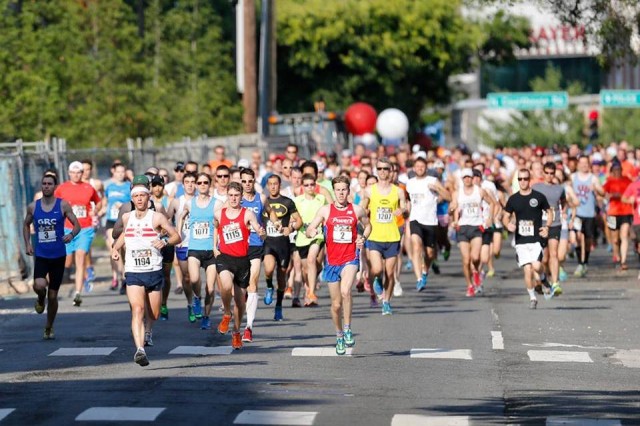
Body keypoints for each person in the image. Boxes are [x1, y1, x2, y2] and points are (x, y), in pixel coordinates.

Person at [111, 176, 181, 366]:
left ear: (148, 197)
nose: (140, 199)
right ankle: (140, 350)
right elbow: (125, 234)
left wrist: (165, 241)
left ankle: (149, 330)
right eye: (137, 196)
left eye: (143, 196)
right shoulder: (127, 217)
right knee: (137, 309)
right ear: (132, 199)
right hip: (133, 270)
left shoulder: (157, 217)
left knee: (154, 313)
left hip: (153, 270)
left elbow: (177, 236)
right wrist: (115, 249)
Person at [306, 176, 370, 355]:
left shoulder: (356, 210)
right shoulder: (325, 210)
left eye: (344, 190)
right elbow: (311, 228)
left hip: (350, 258)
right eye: (338, 190)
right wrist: (312, 231)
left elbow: (368, 226)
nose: (341, 193)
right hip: (332, 262)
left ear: (348, 191)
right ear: (334, 191)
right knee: (335, 305)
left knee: (345, 291)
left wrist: (362, 237)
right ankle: (339, 334)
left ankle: (348, 328)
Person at [23, 174, 81, 340]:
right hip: (41, 254)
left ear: (55, 187)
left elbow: (76, 225)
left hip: (58, 255)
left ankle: (49, 326)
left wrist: (70, 235)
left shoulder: (62, 205)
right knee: (40, 285)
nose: (46, 186)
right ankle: (40, 298)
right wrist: (28, 244)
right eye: (44, 184)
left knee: (54, 296)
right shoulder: (33, 207)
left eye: (49, 184)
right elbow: (26, 225)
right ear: (41, 186)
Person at [213, 182, 265, 349]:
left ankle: (236, 332)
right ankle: (227, 314)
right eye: (231, 195)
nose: (234, 198)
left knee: (240, 301)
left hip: (242, 260)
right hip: (225, 257)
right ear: (227, 196)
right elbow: (216, 228)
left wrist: (261, 233)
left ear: (241, 197)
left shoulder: (247, 213)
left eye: (237, 195)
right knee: (226, 286)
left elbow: (257, 227)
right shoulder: (219, 214)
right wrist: (215, 246)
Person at [359, 157, 408, 315]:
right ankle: (374, 279)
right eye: (379, 169)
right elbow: (361, 209)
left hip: (392, 236)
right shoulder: (369, 190)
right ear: (376, 170)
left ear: (391, 171)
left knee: (389, 272)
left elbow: (405, 205)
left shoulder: (398, 191)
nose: (382, 172)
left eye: (385, 169)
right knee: (377, 268)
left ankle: (386, 301)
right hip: (375, 236)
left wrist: (402, 210)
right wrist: (363, 216)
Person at [54, 161, 102, 307]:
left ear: (83, 173)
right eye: (73, 172)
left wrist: (95, 210)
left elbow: (98, 202)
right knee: (67, 261)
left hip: (84, 228)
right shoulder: (62, 189)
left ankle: (78, 293)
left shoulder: (89, 188)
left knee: (80, 257)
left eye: (79, 172)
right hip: (67, 229)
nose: (76, 175)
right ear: (69, 173)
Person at [503, 168, 552, 309]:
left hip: (536, 238)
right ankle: (532, 297)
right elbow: (506, 216)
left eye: (525, 179)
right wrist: (508, 225)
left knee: (536, 266)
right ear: (518, 181)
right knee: (527, 270)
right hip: (520, 241)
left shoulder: (538, 197)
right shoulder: (513, 199)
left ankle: (543, 279)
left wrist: (547, 227)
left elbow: (549, 212)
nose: (523, 181)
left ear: (529, 180)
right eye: (520, 179)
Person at [179, 172, 221, 330]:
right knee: (194, 279)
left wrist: (218, 244)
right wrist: (180, 237)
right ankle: (197, 298)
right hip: (194, 248)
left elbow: (221, 222)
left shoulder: (217, 204)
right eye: (200, 182)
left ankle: (206, 316)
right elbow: (181, 217)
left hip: (210, 250)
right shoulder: (190, 203)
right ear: (196, 185)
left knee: (210, 288)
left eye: (205, 182)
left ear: (210, 184)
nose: (202, 185)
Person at [405, 157, 450, 291]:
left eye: (422, 166)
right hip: (415, 220)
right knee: (417, 246)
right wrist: (405, 210)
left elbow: (449, 197)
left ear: (426, 168)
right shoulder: (410, 183)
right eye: (417, 166)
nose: (419, 168)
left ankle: (425, 272)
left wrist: (437, 189)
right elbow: (408, 200)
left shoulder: (433, 180)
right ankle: (419, 279)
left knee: (430, 254)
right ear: (414, 168)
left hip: (430, 221)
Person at [450, 168, 496, 297]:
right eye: (465, 177)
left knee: (475, 257)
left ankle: (476, 270)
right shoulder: (457, 193)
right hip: (463, 227)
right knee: (466, 260)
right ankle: (469, 285)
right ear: (462, 179)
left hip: (476, 226)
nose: (467, 179)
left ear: (472, 178)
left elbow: (492, 203)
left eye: (469, 177)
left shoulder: (480, 191)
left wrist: (489, 218)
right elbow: (453, 208)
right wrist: (453, 218)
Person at [262, 174, 302, 321]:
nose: (273, 186)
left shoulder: (288, 202)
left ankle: (278, 306)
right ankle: (268, 286)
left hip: (283, 244)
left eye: (275, 184)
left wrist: (291, 228)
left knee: (281, 278)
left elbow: (299, 221)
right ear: (267, 186)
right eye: (270, 184)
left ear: (280, 185)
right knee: (268, 269)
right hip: (269, 243)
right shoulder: (263, 202)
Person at [240, 168, 274, 342]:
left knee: (252, 283)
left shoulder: (261, 198)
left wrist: (270, 226)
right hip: (237, 248)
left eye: (250, 181)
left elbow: (270, 213)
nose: (247, 184)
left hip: (255, 245)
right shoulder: (234, 200)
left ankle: (248, 327)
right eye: (244, 181)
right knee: (238, 289)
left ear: (254, 181)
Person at [532, 162, 566, 295]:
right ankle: (543, 278)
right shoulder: (536, 187)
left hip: (555, 224)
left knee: (554, 254)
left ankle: (556, 282)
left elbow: (563, 202)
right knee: (542, 258)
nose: (549, 176)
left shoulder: (559, 188)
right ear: (543, 173)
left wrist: (562, 213)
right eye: (547, 173)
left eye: (552, 173)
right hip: (540, 224)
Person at [294, 174, 328, 306]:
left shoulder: (321, 199)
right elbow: (293, 218)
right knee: (305, 270)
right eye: (306, 185)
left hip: (317, 235)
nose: (309, 187)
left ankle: (312, 292)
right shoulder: (297, 201)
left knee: (311, 259)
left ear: (316, 185)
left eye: (312, 185)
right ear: (303, 186)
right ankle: (307, 288)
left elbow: (327, 215)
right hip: (302, 237)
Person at [571, 155, 605, 277]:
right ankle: (580, 263)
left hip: (589, 213)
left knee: (588, 240)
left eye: (586, 163)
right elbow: (566, 190)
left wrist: (596, 188)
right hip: (577, 213)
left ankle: (585, 262)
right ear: (578, 164)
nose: (584, 165)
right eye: (582, 163)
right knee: (578, 237)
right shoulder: (573, 177)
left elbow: (603, 192)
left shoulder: (593, 178)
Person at [103, 163, 130, 291]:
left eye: (122, 172)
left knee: (124, 247)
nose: (120, 174)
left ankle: (125, 274)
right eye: (118, 171)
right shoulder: (109, 187)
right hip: (111, 220)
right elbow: (105, 202)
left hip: (123, 220)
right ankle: (119, 276)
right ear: (113, 172)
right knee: (114, 247)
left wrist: (123, 205)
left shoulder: (128, 186)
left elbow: (133, 203)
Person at [603, 161, 633, 270]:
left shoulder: (627, 180)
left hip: (626, 211)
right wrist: (611, 195)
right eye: (615, 170)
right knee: (615, 238)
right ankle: (617, 255)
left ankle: (623, 260)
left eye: (619, 169)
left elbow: (633, 191)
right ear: (612, 171)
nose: (617, 172)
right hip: (612, 212)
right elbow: (603, 193)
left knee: (624, 235)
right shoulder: (609, 181)